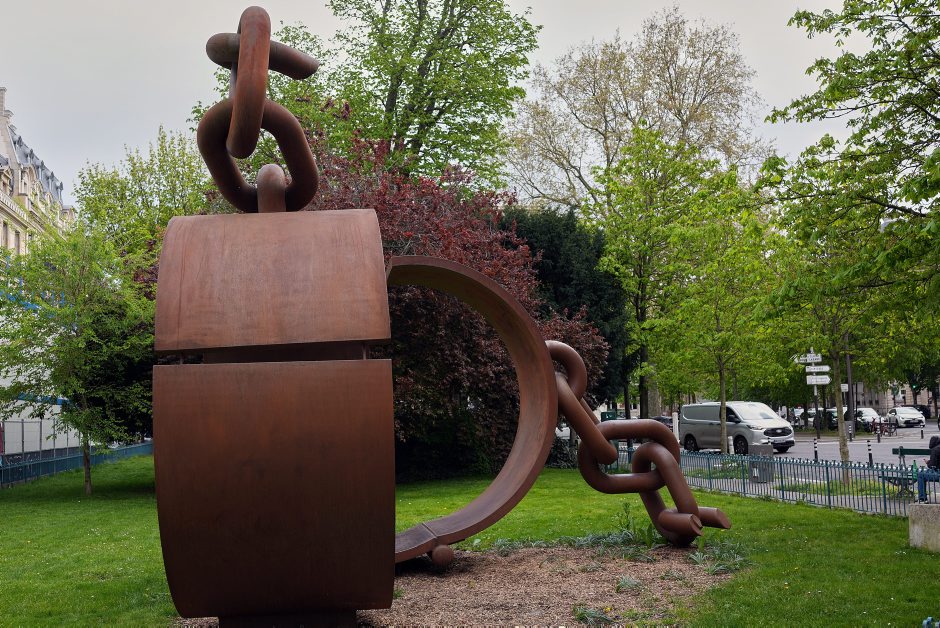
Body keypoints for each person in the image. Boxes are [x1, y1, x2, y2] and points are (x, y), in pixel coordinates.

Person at [916, 435, 940, 503]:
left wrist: (928, 462)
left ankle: (922, 498)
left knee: (920, 475)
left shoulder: (935, 450)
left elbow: (932, 465)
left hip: (938, 474)